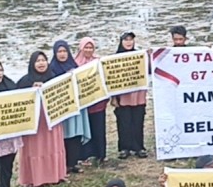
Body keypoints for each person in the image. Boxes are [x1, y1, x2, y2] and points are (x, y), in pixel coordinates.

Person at [17, 52, 68, 187]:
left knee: (53, 146)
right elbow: (17, 100)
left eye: (43, 60)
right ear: (32, 64)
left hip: (52, 119)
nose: (41, 63)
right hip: (35, 123)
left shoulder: (54, 78)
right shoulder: (25, 81)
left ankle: (55, 175)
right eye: (37, 61)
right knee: (36, 148)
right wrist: (31, 91)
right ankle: (36, 178)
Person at [50, 40, 91, 174]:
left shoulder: (74, 66)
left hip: (76, 106)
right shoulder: (52, 69)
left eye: (64, 51)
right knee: (64, 135)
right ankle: (64, 164)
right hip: (62, 109)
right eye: (59, 52)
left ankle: (74, 163)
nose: (62, 54)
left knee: (76, 133)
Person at [112, 32, 147, 159]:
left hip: (138, 96)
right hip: (122, 97)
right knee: (123, 122)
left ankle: (139, 147)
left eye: (131, 40)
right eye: (126, 40)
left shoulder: (140, 56)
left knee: (138, 121)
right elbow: (111, 79)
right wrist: (113, 97)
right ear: (121, 42)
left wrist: (150, 55)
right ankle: (124, 148)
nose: (128, 42)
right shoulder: (114, 58)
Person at [75, 38, 109, 166]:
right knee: (85, 129)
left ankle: (101, 154)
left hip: (98, 103)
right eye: (86, 48)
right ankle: (85, 155)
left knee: (99, 128)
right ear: (81, 48)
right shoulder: (74, 64)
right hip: (84, 105)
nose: (88, 50)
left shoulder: (98, 62)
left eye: (91, 48)